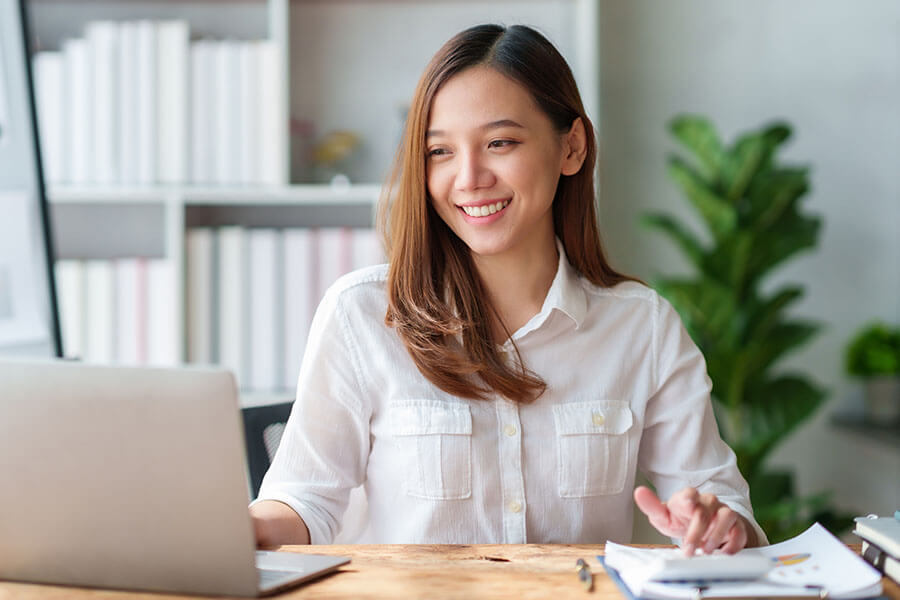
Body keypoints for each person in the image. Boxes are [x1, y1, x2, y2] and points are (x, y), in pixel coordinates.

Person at [250, 23, 766, 554]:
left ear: (572, 147)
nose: (470, 177)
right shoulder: (360, 315)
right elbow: (303, 500)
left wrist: (720, 524)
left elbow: (724, 504)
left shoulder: (642, 327)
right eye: (440, 152)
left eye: (499, 143)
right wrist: (238, 529)